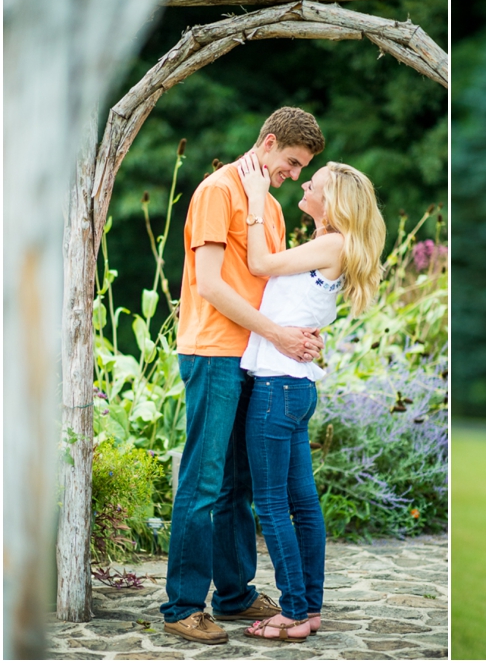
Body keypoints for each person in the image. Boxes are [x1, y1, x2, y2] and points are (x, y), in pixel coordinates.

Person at [161, 107, 326, 645]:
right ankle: (184, 605)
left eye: (303, 169)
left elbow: (271, 283)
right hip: (213, 352)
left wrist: (299, 332)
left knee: (238, 484)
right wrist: (278, 335)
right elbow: (209, 284)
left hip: (254, 356)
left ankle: (233, 594)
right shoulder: (216, 191)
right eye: (292, 162)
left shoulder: (269, 209)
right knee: (204, 480)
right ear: (270, 142)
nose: (295, 174)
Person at [235, 152, 386, 643]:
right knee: (302, 504)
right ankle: (309, 609)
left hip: (278, 388)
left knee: (274, 506)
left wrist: (257, 200)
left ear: (332, 200)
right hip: (293, 387)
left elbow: (259, 264)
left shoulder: (333, 245)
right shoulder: (327, 244)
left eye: (312, 184)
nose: (303, 187)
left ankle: (295, 612)